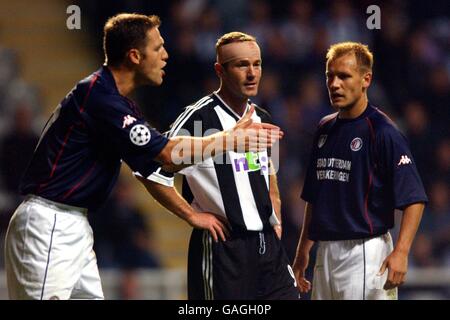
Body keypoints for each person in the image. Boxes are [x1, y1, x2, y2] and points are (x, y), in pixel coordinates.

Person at [4, 14, 282, 300]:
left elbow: (157, 164)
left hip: (74, 224)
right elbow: (167, 154)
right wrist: (229, 139)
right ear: (135, 56)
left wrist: (190, 214)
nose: (166, 55)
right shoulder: (100, 97)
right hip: (49, 222)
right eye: (158, 48)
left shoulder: (116, 103)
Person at [138, 32, 299, 300]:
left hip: (268, 247)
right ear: (219, 70)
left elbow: (267, 168)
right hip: (223, 249)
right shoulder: (197, 119)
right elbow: (148, 168)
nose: (251, 73)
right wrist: (190, 215)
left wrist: (275, 208)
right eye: (241, 65)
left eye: (256, 64)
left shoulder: (262, 117)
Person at [292, 42, 428, 300]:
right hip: (325, 252)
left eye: (343, 76)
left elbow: (414, 198)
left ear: (366, 79)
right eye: (329, 76)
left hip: (365, 253)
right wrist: (302, 250)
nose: (334, 84)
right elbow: (314, 196)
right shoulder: (323, 129)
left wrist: (401, 251)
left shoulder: (383, 131)